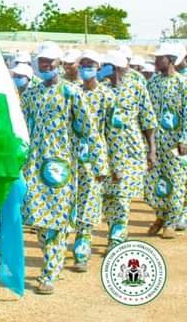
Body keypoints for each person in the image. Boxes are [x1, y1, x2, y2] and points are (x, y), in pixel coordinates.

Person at [21, 42, 95, 295]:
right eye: (41, 62)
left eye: (49, 62)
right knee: (39, 220)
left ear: (59, 64)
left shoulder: (72, 93)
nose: (44, 66)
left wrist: (93, 163)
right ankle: (52, 260)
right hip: (34, 166)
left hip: (62, 169)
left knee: (57, 218)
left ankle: (50, 271)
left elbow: (87, 129)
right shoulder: (31, 94)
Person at [100, 50, 156, 248]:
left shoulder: (136, 86)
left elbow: (147, 118)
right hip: (104, 151)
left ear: (116, 68)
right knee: (107, 196)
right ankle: (113, 228)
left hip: (129, 150)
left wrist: (152, 150)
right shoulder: (99, 89)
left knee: (122, 195)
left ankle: (117, 236)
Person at [70, 50, 111, 272]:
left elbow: (111, 134)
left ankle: (81, 250)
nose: (86, 67)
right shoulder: (72, 93)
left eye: (91, 64)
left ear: (99, 66)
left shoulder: (107, 97)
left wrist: (107, 163)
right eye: (83, 64)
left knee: (88, 203)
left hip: (94, 160)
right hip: (69, 159)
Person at [145, 42, 187, 239]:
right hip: (154, 143)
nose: (155, 61)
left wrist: (184, 138)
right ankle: (160, 215)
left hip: (175, 144)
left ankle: (171, 220)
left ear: (169, 60)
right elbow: (145, 112)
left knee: (176, 180)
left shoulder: (183, 83)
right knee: (153, 181)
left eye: (159, 58)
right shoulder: (152, 83)